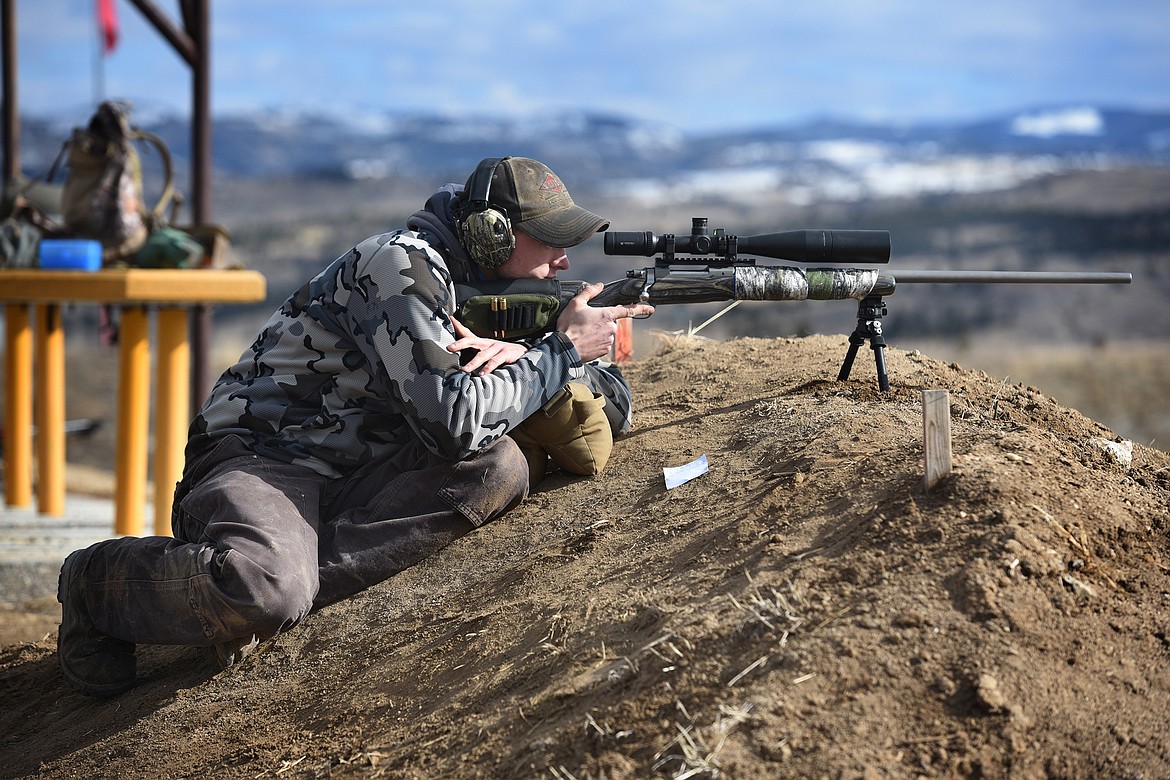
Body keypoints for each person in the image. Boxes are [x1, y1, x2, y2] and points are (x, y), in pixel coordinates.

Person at [57, 156, 654, 697]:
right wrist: (558, 355)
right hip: (266, 459)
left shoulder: (512, 293)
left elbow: (616, 410)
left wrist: (546, 356)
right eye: (548, 241)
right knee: (266, 588)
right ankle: (96, 581)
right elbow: (452, 424)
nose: (564, 261)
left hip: (359, 471)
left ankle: (291, 576)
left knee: (501, 467)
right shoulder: (401, 266)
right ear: (490, 232)